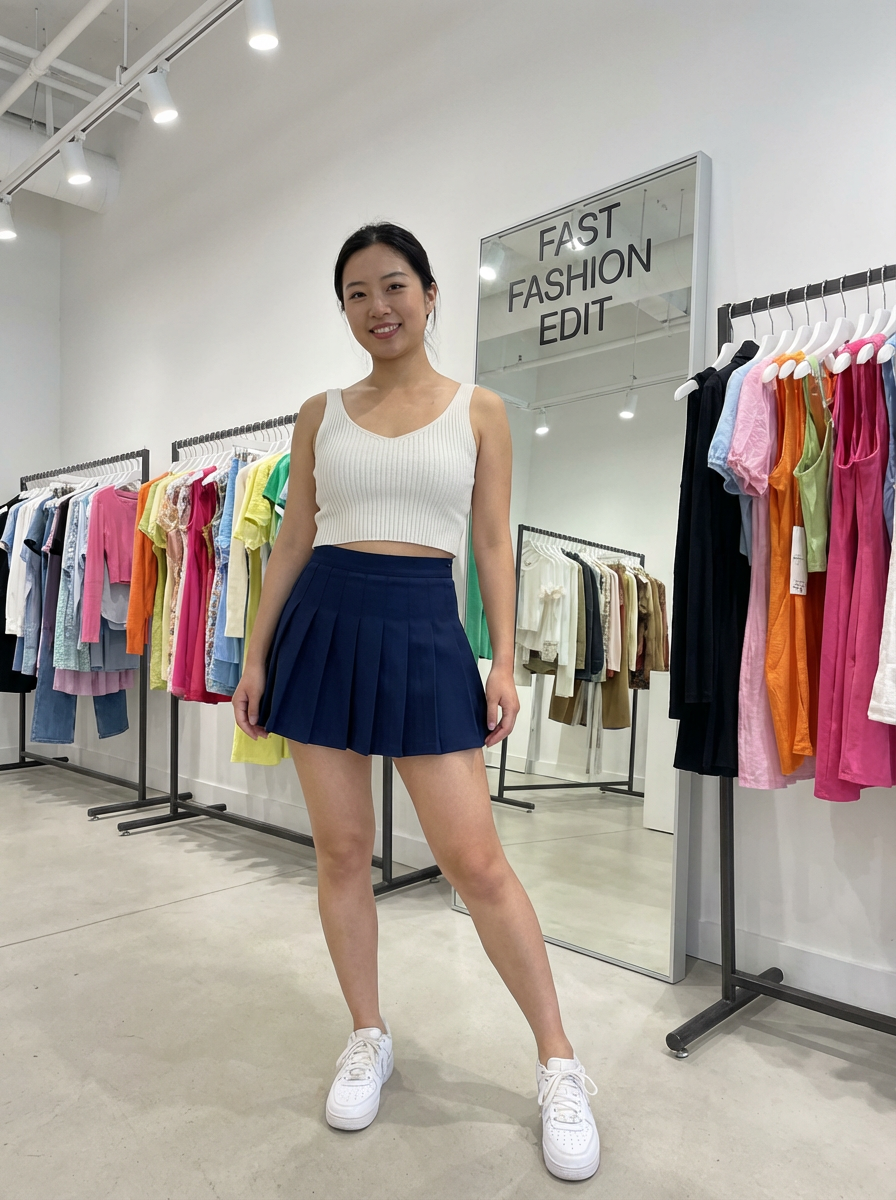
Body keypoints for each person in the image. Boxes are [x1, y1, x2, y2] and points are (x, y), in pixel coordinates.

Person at [232, 222, 599, 1181]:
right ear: (344, 310)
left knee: (476, 863)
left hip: (427, 629)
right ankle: (368, 1034)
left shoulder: (480, 410)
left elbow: (491, 543)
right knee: (342, 851)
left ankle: (559, 1062)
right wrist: (256, 655)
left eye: (394, 285)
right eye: (357, 293)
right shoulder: (320, 413)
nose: (377, 307)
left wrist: (504, 662)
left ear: (432, 294)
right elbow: (293, 539)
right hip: (323, 625)